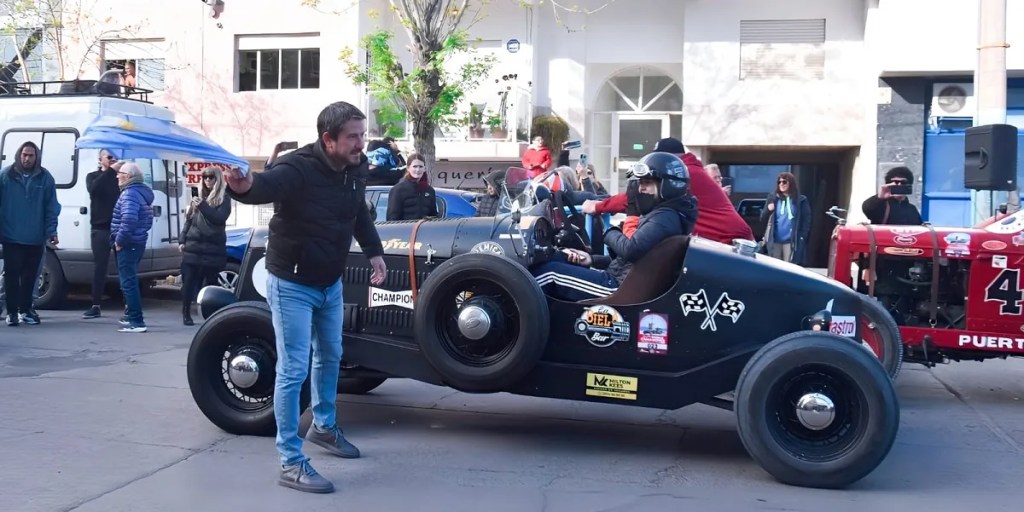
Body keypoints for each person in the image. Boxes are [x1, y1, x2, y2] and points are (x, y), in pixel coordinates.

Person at [223, 101, 387, 494]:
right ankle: (290, 461)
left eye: (362, 135)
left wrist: (375, 252)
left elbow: (358, 214)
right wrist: (242, 186)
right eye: (353, 137)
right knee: (294, 368)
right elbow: (264, 185)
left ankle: (325, 427)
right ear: (328, 139)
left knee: (331, 354)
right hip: (292, 283)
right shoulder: (297, 167)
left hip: (329, 281)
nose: (360, 144)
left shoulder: (353, 169)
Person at [530, 152, 697, 302]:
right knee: (556, 258)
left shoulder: (665, 217)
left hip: (618, 287)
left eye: (647, 183)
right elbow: (636, 260)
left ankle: (519, 328)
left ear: (667, 185)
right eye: (640, 183)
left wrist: (608, 231)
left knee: (549, 273)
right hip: (623, 280)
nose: (640, 189)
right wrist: (592, 260)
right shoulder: (665, 214)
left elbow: (631, 249)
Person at [582, 137, 753, 245]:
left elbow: (635, 197)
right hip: (725, 240)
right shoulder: (690, 171)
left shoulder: (683, 174)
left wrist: (597, 207)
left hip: (728, 242)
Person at [0, 141, 60, 326]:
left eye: (31, 155)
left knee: (29, 278)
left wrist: (52, 231)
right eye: (24, 154)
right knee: (11, 277)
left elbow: (51, 207)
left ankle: (25, 311)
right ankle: (11, 312)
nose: (26, 158)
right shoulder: (5, 176)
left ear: (37, 157)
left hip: (35, 238)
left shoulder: (45, 177)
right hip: (11, 237)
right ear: (19, 155)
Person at [179, 166, 231, 326]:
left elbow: (219, 218)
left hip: (212, 249)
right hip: (193, 247)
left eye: (211, 177)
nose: (207, 180)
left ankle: (211, 317)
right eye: (205, 177)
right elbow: (189, 220)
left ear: (218, 179)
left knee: (211, 285)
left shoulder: (224, 197)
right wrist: (182, 239)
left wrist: (203, 205)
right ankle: (186, 313)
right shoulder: (198, 197)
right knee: (188, 283)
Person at [110, 162, 154, 333]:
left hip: (128, 244)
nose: (117, 176)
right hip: (137, 242)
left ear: (128, 176)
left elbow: (129, 219)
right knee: (130, 280)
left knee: (128, 282)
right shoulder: (140, 193)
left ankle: (137, 320)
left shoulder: (130, 194)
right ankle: (132, 317)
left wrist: (120, 240)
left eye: (119, 173)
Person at [82, 150, 123, 319]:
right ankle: (96, 305)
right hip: (100, 228)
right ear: (100, 159)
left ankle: (129, 304)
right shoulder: (93, 176)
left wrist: (116, 172)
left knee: (124, 267)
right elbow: (94, 190)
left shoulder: (120, 177)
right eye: (109, 157)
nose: (113, 159)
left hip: (118, 228)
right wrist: (111, 171)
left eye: (115, 157)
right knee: (100, 268)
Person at [760, 172, 812, 265]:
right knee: (775, 267)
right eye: (779, 182)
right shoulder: (773, 198)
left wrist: (802, 236)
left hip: (791, 241)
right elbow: (762, 218)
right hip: (775, 240)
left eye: (784, 182)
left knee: (789, 267)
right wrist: (768, 209)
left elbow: (806, 220)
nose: (781, 184)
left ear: (791, 183)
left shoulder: (801, 200)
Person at [386, 153, 438, 221]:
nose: (418, 170)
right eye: (415, 166)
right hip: (403, 230)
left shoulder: (430, 191)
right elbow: (392, 219)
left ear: (424, 169)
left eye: (420, 166)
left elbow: (434, 216)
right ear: (408, 168)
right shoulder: (398, 190)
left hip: (425, 230)